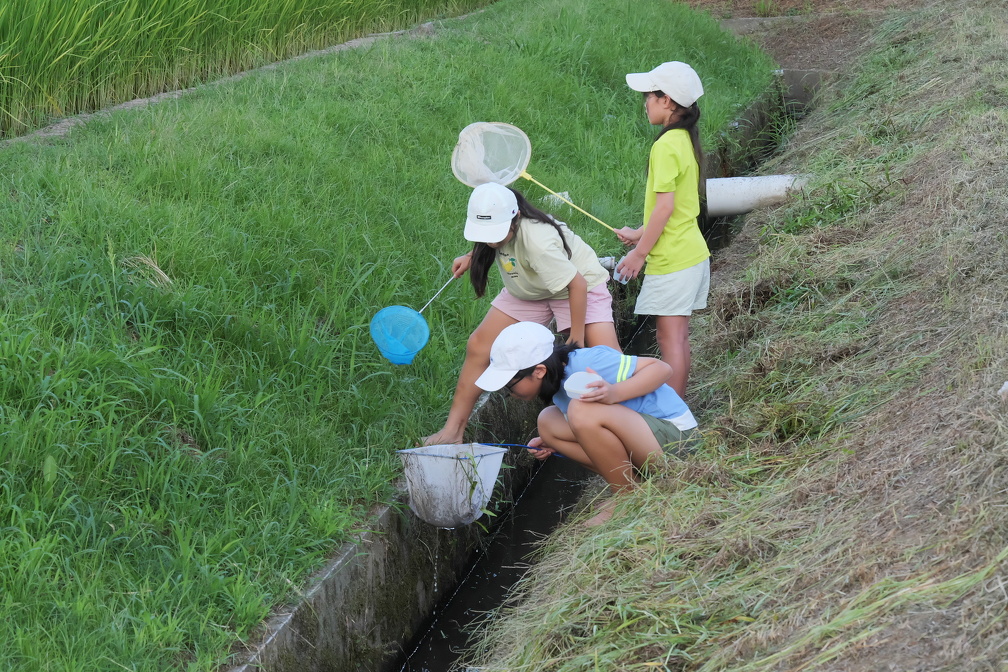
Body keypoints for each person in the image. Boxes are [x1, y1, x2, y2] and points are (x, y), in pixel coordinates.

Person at [422, 182, 622, 446]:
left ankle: (636, 430)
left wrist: (576, 340)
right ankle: (452, 432)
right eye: (485, 234)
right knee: (479, 345)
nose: (491, 241)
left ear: (515, 217)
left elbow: (577, 285)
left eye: (496, 233)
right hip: (529, 290)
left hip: (576, 287)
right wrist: (472, 255)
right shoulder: (497, 231)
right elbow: (491, 238)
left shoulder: (538, 242)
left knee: (609, 362)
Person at [475, 321, 697, 525]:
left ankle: (626, 498)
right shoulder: (556, 383)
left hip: (677, 443)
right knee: (548, 422)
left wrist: (614, 392)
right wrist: (553, 443)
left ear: (539, 371)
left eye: (510, 385)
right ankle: (632, 485)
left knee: (580, 410)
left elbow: (661, 369)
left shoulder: (587, 362)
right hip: (646, 441)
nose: (510, 393)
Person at [615, 61, 710, 400]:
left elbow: (666, 207)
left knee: (669, 342)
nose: (645, 103)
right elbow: (678, 206)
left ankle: (674, 418)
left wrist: (639, 254)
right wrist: (641, 233)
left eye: (649, 96)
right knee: (678, 340)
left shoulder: (665, 145)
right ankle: (679, 413)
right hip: (691, 254)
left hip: (673, 261)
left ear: (666, 101)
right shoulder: (684, 139)